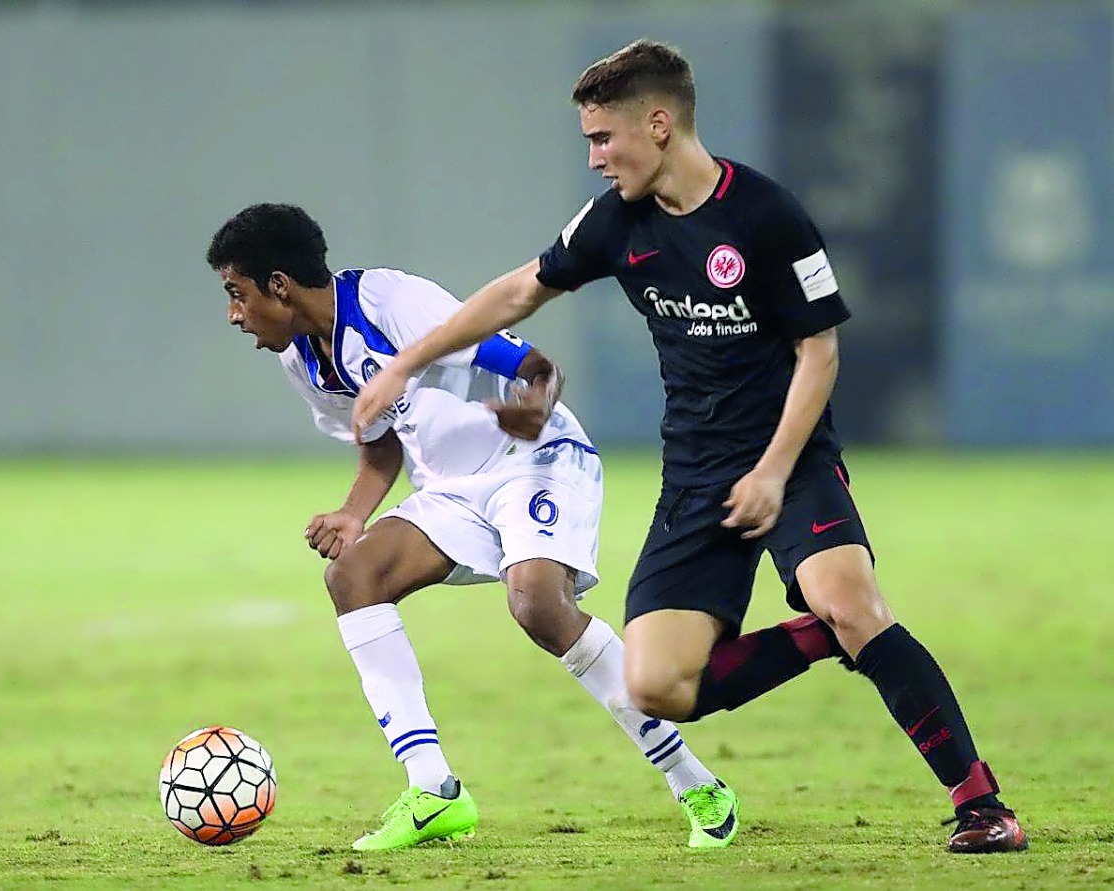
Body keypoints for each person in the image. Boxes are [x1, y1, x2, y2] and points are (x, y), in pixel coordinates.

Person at [351, 40, 1027, 854]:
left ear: (659, 125)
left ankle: (981, 804)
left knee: (853, 601)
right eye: (589, 143)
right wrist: (407, 361)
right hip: (697, 476)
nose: (596, 159)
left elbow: (820, 353)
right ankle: (817, 635)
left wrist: (776, 471)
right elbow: (519, 290)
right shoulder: (616, 223)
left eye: (604, 139)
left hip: (792, 457)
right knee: (658, 683)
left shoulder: (767, 216)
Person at [206, 202, 739, 851]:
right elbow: (379, 440)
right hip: (452, 489)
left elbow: (538, 369)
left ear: (279, 285)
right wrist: (353, 513)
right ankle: (433, 791)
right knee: (353, 576)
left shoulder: (392, 302)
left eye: (237, 294)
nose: (234, 314)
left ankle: (695, 782)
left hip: (534, 459)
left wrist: (531, 413)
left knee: (540, 606)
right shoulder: (303, 361)